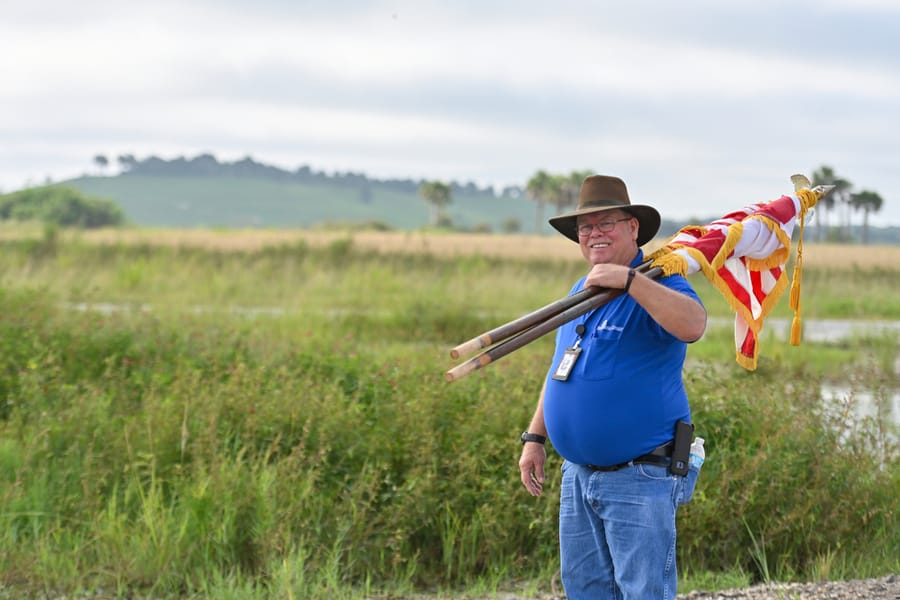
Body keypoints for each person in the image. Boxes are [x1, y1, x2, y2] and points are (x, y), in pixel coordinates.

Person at [518, 175, 707, 600]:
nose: (594, 234)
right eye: (586, 227)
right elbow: (560, 371)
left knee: (643, 592)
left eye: (606, 223)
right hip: (578, 475)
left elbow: (694, 325)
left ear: (633, 228)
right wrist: (535, 437)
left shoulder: (659, 280)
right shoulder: (580, 291)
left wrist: (630, 282)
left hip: (640, 475)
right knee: (586, 590)